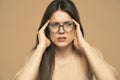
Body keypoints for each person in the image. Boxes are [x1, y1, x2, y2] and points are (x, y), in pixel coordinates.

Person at [14, 0, 118, 80]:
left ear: (76, 27)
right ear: (46, 28)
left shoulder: (89, 53)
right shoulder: (36, 56)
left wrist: (84, 45)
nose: (61, 31)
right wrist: (41, 48)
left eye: (68, 24)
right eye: (55, 25)